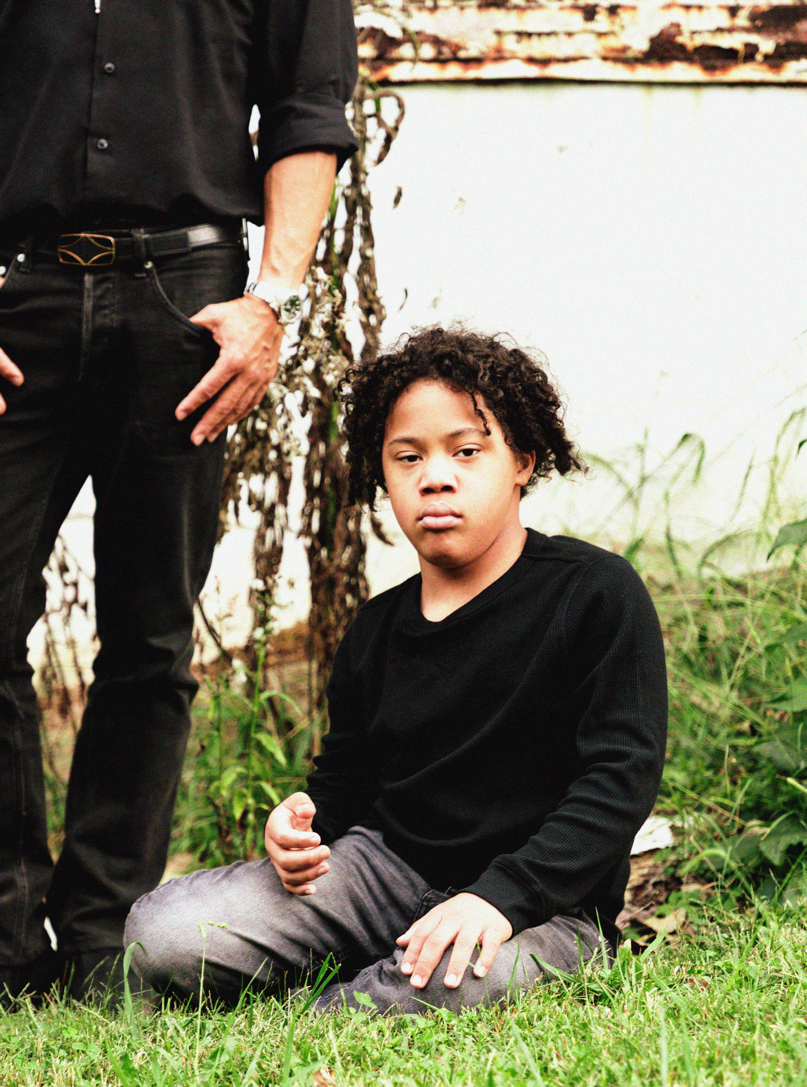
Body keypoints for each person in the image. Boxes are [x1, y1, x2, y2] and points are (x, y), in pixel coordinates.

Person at [125, 326, 669, 1014]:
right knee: (162, 934)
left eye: (467, 451)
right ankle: (378, 967)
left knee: (459, 980)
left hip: (542, 909)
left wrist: (499, 899)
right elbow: (346, 782)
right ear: (380, 471)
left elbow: (618, 783)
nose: (434, 476)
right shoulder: (376, 628)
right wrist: (302, 827)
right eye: (406, 456)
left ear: (523, 460)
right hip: (383, 873)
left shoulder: (593, 593)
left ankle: (337, 1012)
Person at [0, 0, 358, 1004]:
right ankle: (5, 946)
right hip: (13, 296)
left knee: (152, 640)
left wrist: (272, 302)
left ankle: (101, 943)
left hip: (188, 305)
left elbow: (308, 110)